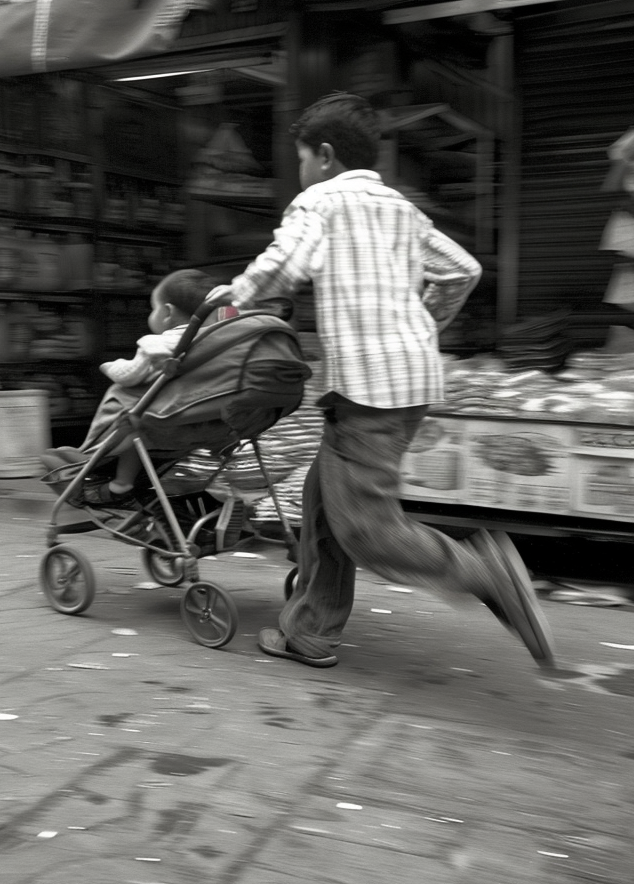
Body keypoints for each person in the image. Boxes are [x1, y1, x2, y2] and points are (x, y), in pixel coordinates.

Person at [206, 91, 555, 669]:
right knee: (322, 498)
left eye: (299, 160)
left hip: (369, 389)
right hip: (410, 380)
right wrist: (421, 325)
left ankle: (486, 573)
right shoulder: (402, 209)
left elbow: (283, 267)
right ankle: (311, 630)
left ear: (323, 155)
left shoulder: (320, 202)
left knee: (366, 528)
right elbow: (463, 270)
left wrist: (232, 298)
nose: (299, 173)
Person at [42, 267, 224, 508]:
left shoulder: (159, 344)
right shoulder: (222, 344)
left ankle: (119, 480)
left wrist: (110, 366)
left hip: (154, 430)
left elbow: (130, 375)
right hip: (203, 430)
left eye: (154, 308)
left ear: (167, 313)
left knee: (130, 412)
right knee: (141, 417)